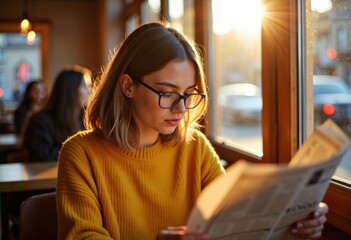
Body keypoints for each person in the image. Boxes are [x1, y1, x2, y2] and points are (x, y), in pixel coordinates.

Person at [56, 22, 328, 240]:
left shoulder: (194, 146)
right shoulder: (80, 154)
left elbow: (234, 219)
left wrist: (294, 224)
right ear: (128, 86)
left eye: (189, 94)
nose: (181, 109)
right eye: (168, 93)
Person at [22, 65, 91, 162]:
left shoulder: (84, 118)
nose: (90, 91)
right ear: (70, 90)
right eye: (85, 86)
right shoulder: (39, 121)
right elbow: (42, 155)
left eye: (89, 86)